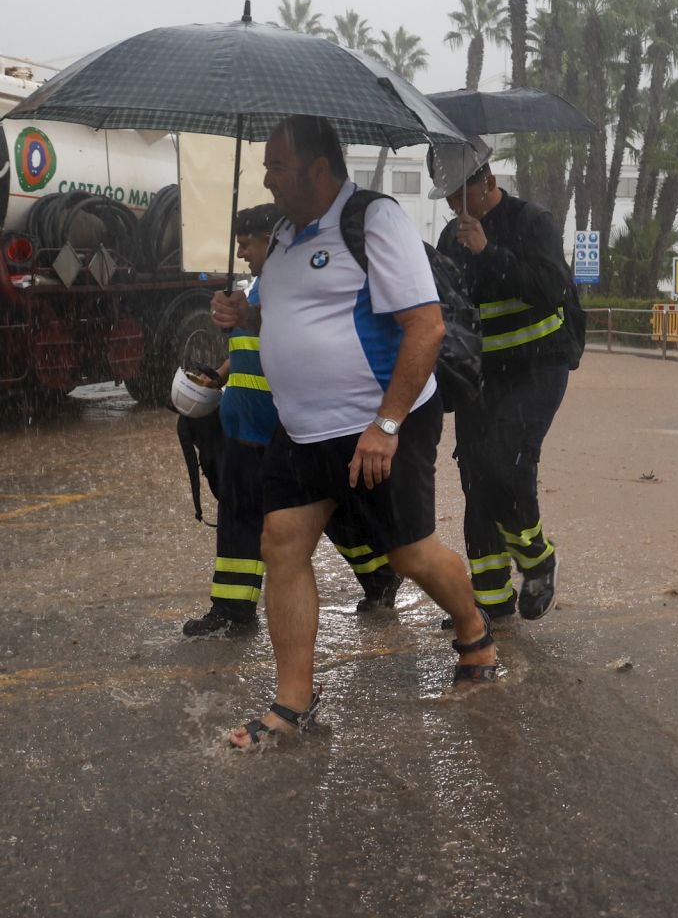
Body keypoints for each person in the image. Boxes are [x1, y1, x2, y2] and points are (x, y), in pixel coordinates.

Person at [211, 116, 499, 750]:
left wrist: (387, 425)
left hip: (379, 422)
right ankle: (293, 702)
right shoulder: (283, 235)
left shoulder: (373, 220)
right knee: (281, 542)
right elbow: (293, 313)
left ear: (319, 168)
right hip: (303, 428)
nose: (266, 178)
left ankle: (474, 631)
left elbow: (426, 327)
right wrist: (245, 313)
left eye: (277, 166)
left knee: (408, 553)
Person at [181, 204, 403, 638]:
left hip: (289, 430)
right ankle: (233, 608)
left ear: (272, 239)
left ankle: (379, 576)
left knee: (337, 515)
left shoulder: (293, 288)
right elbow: (247, 346)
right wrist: (217, 376)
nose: (241, 252)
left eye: (247, 244)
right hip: (244, 426)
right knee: (239, 515)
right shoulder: (256, 288)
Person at [432, 139, 579, 623]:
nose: (455, 208)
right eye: (449, 200)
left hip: (539, 364)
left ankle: (537, 561)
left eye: (460, 195)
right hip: (481, 373)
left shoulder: (531, 222)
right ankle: (491, 600)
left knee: (508, 463)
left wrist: (489, 251)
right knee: (476, 473)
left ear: (488, 183)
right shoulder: (452, 237)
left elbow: (549, 290)